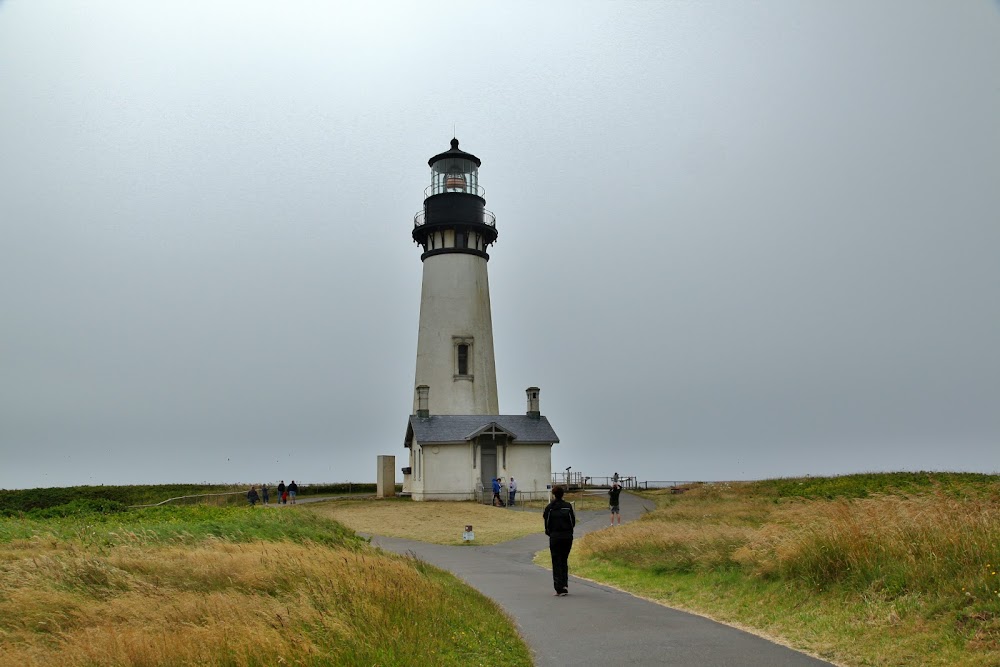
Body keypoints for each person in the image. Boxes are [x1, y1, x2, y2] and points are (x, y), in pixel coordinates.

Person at [543, 485, 576, 596]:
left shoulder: (549, 508)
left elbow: (546, 524)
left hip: (555, 537)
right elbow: (572, 522)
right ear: (563, 494)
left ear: (553, 494)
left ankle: (558, 586)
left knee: (556, 560)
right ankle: (564, 584)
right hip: (567, 537)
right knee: (564, 559)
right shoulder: (567, 506)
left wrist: (550, 533)